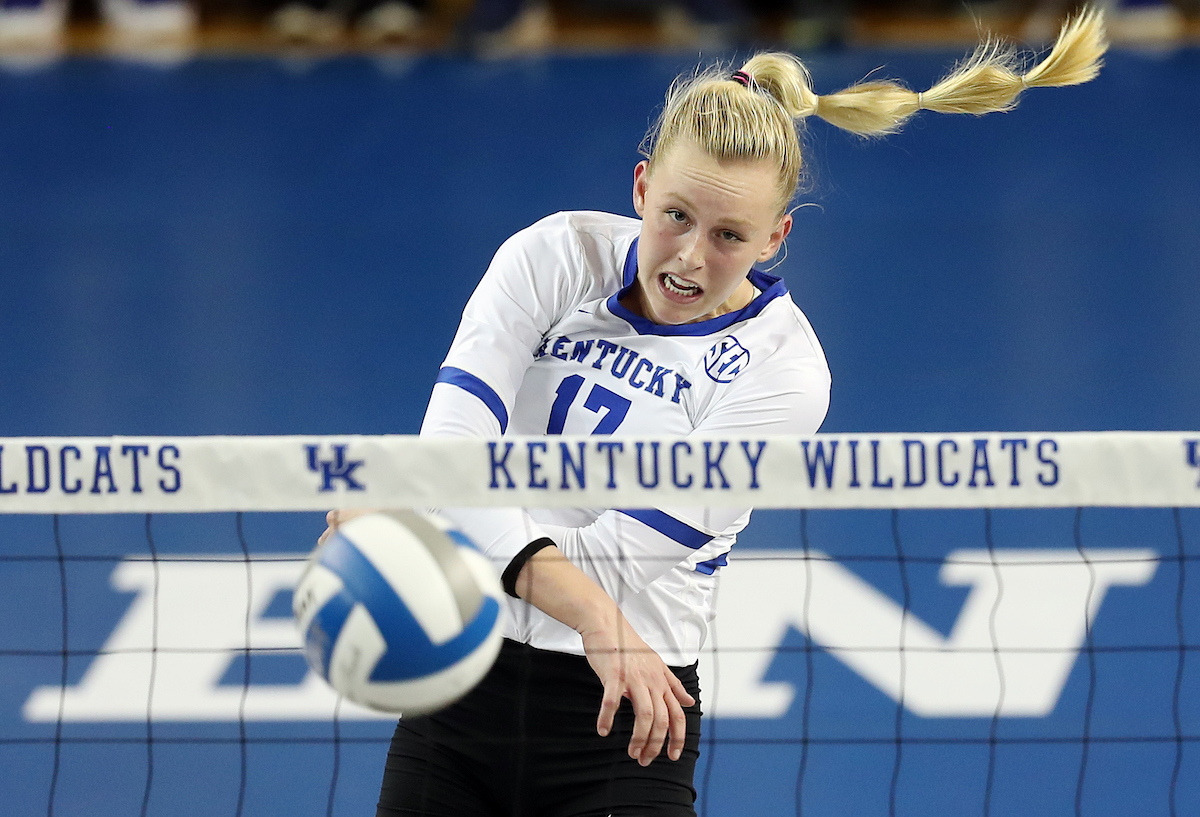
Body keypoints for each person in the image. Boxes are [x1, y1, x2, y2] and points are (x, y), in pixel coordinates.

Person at [323, 9, 1107, 815]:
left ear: (776, 238)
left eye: (731, 233)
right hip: (460, 684)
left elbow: (613, 561)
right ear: (640, 188)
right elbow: (452, 447)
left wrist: (423, 516)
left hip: (625, 712)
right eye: (675, 216)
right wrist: (560, 589)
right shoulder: (551, 257)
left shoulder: (785, 371)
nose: (693, 256)